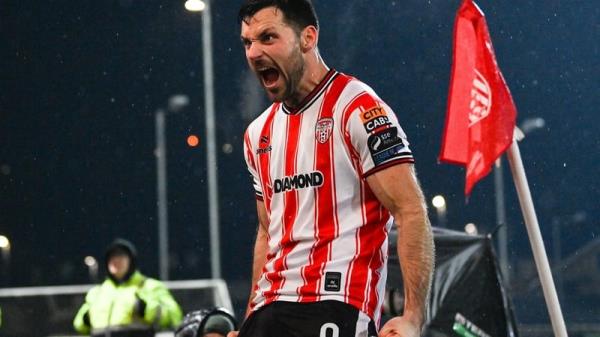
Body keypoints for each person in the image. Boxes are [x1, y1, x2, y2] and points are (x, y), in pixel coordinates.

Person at [234, 1, 435, 337]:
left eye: (267, 38)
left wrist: (413, 317)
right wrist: (249, 319)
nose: (254, 53)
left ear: (308, 38)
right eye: (247, 42)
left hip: (335, 302)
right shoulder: (258, 134)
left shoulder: (359, 109)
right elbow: (268, 233)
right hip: (270, 309)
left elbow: (410, 210)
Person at [73, 238, 183, 337]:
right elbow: (78, 325)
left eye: (121, 256)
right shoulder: (97, 292)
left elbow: (175, 316)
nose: (116, 261)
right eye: (112, 257)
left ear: (131, 261)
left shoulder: (149, 286)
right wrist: (85, 319)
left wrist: (146, 309)